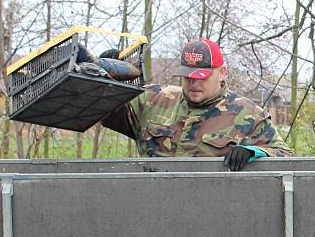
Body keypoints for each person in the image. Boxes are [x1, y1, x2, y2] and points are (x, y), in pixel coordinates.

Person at [103, 38, 293, 170]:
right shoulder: (152, 99)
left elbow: (287, 157)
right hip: (153, 207)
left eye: (202, 77)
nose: (194, 83)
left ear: (222, 73)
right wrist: (103, 80)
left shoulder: (248, 114)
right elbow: (101, 111)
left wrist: (254, 152)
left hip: (210, 211)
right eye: (188, 76)